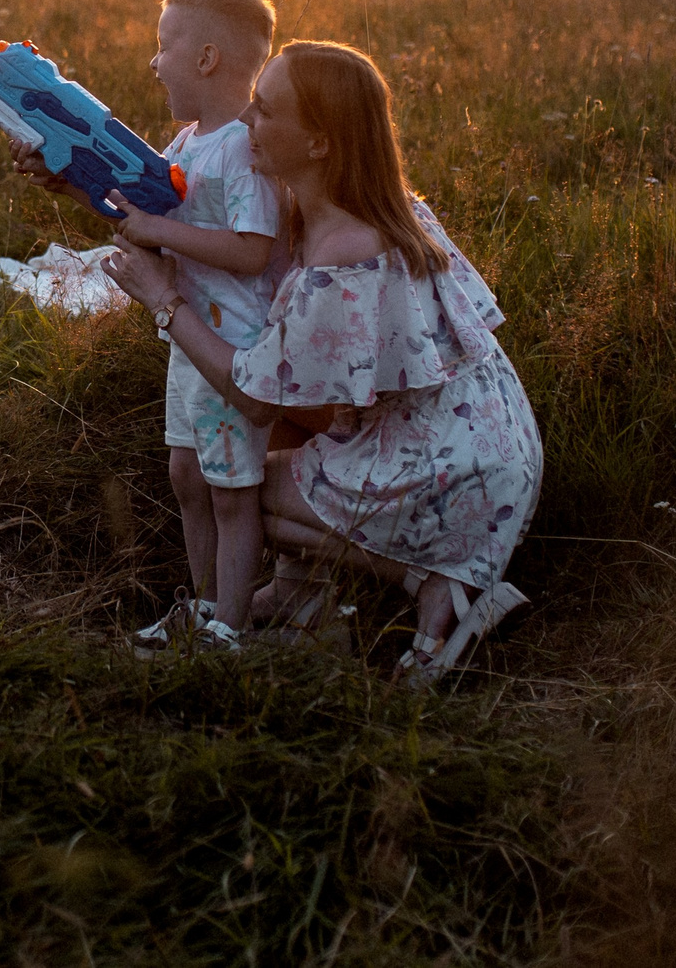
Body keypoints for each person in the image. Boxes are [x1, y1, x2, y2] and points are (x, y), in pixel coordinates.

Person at [102, 40, 543, 685]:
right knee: (270, 440)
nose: (246, 119)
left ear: (319, 143)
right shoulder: (367, 210)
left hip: (447, 473)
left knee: (238, 487)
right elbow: (180, 212)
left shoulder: (345, 253)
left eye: (264, 109)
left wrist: (165, 302)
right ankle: (300, 599)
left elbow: (254, 398)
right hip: (485, 447)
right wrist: (67, 168)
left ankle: (436, 587)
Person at [14, 0, 282, 651]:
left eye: (165, 45)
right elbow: (139, 217)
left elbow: (254, 250)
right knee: (187, 477)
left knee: (231, 490)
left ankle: (231, 629)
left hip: (230, 344)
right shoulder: (187, 141)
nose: (154, 62)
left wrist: (159, 230)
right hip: (188, 338)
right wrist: (65, 182)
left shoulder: (244, 148)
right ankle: (206, 605)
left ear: (208, 58)